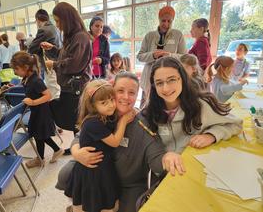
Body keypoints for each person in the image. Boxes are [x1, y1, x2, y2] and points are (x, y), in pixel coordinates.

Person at [56, 72, 167, 212]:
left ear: (138, 95)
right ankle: (80, 205)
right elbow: (81, 135)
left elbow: (155, 151)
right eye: (120, 91)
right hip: (99, 173)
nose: (126, 97)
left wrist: (166, 160)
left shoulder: (142, 123)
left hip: (128, 182)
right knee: (66, 174)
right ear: (111, 90)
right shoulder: (102, 115)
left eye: (132, 93)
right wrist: (76, 152)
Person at [142, 56, 242, 174]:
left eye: (172, 80)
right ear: (154, 86)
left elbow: (236, 124)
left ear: (183, 79)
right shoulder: (149, 112)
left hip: (194, 170)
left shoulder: (202, 105)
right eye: (159, 83)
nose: (166, 88)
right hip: (166, 174)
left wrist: (211, 136)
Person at [65, 79, 136, 212]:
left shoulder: (106, 115)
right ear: (93, 105)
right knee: (92, 203)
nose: (111, 105)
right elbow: (115, 142)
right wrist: (124, 121)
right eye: (104, 102)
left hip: (103, 167)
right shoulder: (93, 123)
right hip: (93, 171)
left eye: (112, 100)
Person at [40, 2, 92, 155]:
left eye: (57, 20)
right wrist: (54, 50)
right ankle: (79, 146)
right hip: (69, 87)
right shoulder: (72, 36)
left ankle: (82, 148)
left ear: (67, 19)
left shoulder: (81, 37)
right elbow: (68, 56)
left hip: (76, 88)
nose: (56, 24)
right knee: (75, 121)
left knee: (76, 121)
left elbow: (74, 64)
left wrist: (54, 64)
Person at [10, 51, 64, 168]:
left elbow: (48, 95)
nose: (14, 72)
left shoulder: (35, 80)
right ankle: (52, 152)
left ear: (25, 67)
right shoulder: (27, 78)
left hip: (41, 113)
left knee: (40, 135)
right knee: (40, 135)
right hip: (37, 112)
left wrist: (33, 102)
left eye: (16, 69)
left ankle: (41, 158)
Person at [137, 5, 186, 107]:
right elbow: (140, 56)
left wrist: (170, 55)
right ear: (159, 20)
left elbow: (184, 57)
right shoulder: (149, 35)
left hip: (168, 78)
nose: (166, 24)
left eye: (169, 21)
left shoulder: (178, 35)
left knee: (165, 106)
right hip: (149, 79)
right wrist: (152, 55)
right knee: (145, 107)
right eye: (163, 20)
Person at [28, 9, 60, 80]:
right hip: (58, 63)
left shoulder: (43, 30)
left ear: (37, 20)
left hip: (49, 65)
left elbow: (32, 49)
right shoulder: (56, 28)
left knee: (52, 89)